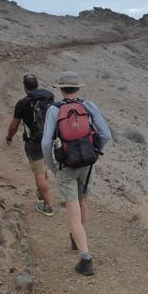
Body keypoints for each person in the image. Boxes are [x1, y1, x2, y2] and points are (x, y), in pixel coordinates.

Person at [42, 71, 111, 276]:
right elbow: (106, 134)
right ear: (78, 88)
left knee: (72, 212)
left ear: (61, 89)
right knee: (83, 203)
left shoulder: (54, 110)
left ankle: (86, 259)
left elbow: (46, 142)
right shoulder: (88, 106)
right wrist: (96, 152)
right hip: (87, 164)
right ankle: (77, 237)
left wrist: (52, 167)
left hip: (66, 165)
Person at [6, 74, 56, 216]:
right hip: (48, 139)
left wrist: (9, 137)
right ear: (37, 84)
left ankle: (47, 206)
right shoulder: (48, 99)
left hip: (33, 142)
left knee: (39, 173)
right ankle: (41, 193)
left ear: (25, 86)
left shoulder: (23, 103)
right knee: (42, 167)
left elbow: (14, 125)